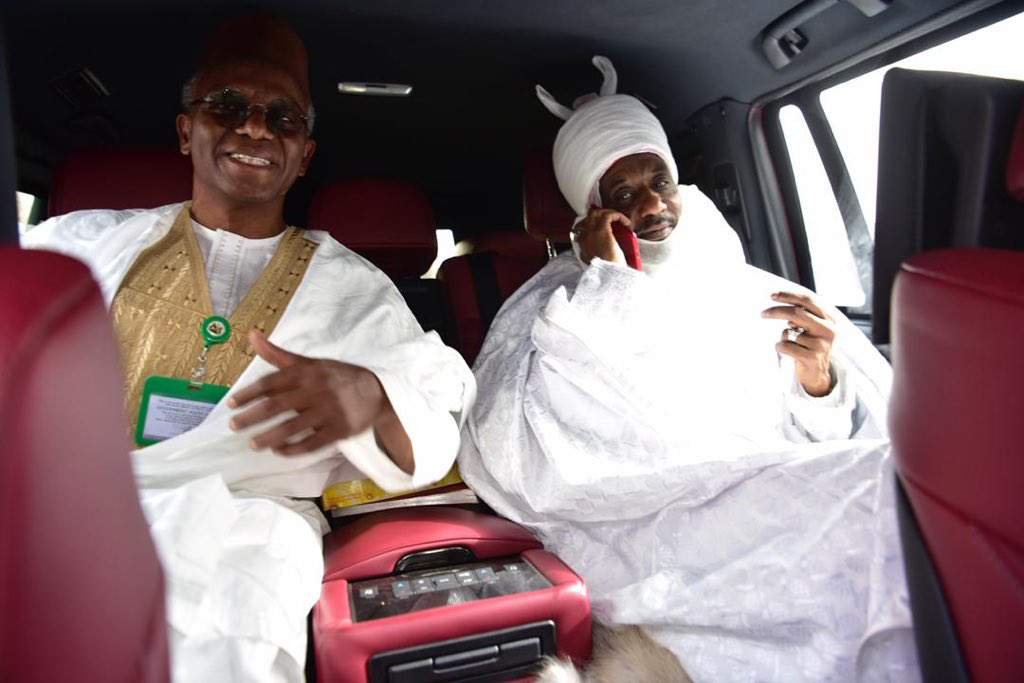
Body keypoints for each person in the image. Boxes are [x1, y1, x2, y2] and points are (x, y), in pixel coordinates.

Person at [22, 16, 475, 683]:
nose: (255, 129)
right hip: (69, 509)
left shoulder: (356, 288)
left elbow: (438, 424)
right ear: (186, 131)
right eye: (228, 107)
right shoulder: (78, 243)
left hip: (248, 532)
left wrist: (373, 399)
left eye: (282, 117)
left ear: (305, 152)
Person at [458, 57, 917, 682]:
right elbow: (527, 457)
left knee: (900, 493)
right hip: (662, 517)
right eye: (622, 195)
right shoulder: (552, 307)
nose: (651, 204)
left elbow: (821, 429)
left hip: (774, 477)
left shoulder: (744, 283)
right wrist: (606, 283)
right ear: (589, 213)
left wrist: (818, 383)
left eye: (659, 181)